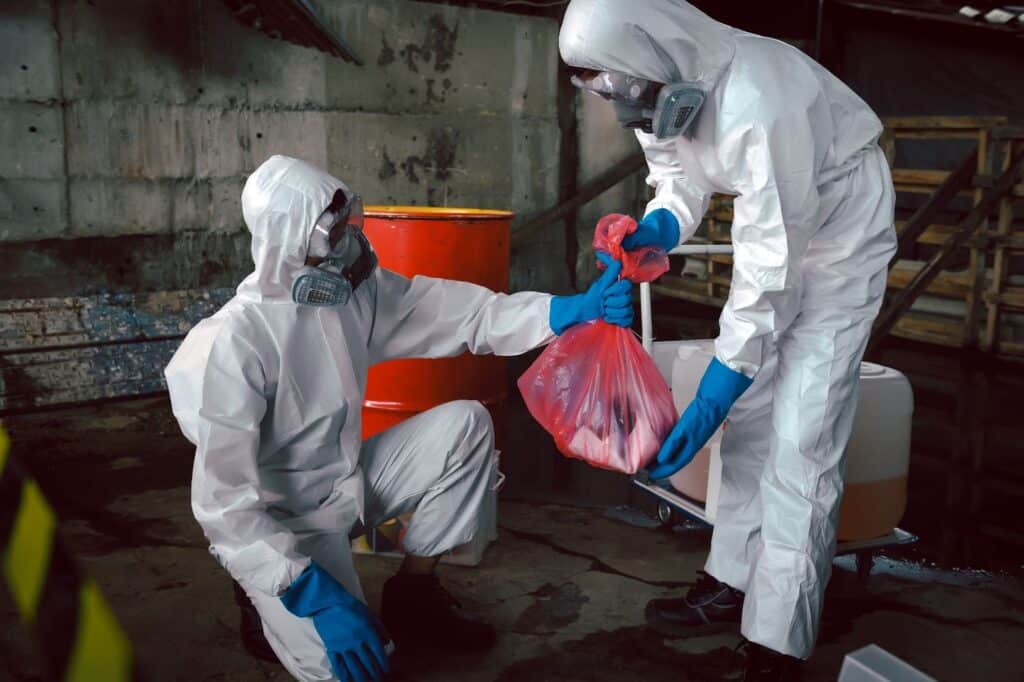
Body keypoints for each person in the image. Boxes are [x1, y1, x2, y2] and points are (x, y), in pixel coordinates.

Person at [164, 154, 633, 682]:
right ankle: (261, 592)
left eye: (348, 225)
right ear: (290, 243)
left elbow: (460, 314)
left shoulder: (350, 297)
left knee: (467, 426)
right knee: (360, 670)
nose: (347, 243)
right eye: (332, 233)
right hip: (282, 524)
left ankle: (415, 596)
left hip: (347, 483)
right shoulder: (235, 343)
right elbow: (223, 504)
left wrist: (564, 312)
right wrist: (307, 592)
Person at [559, 1, 897, 679]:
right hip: (782, 219)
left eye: (625, 94)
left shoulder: (759, 97)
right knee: (747, 420)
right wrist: (656, 227)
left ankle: (778, 638)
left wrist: (716, 385)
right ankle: (732, 581)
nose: (630, 114)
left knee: (802, 433)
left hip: (841, 230)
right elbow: (678, 178)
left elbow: (770, 271)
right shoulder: (656, 80)